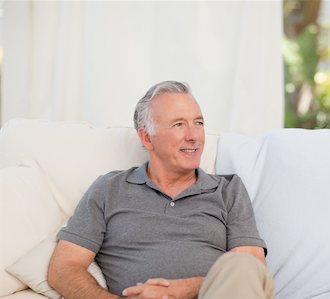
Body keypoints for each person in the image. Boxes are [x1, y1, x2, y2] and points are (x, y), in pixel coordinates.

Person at [48, 81, 274, 299]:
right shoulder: (109, 189)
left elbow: (251, 270)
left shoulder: (227, 190)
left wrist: (188, 288)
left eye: (199, 123)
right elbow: (63, 268)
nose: (193, 136)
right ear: (147, 138)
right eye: (178, 124)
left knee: (243, 265)